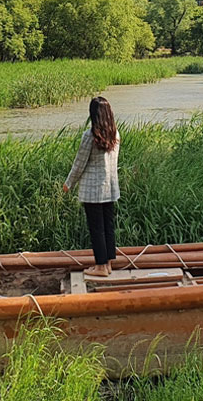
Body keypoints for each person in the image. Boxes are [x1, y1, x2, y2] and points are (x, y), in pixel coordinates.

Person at [63, 96, 120, 277]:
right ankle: (108, 264)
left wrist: (68, 183)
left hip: (93, 190)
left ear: (93, 115)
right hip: (110, 188)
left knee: (96, 228)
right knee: (108, 226)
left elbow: (79, 163)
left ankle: (101, 267)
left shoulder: (90, 136)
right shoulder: (115, 134)